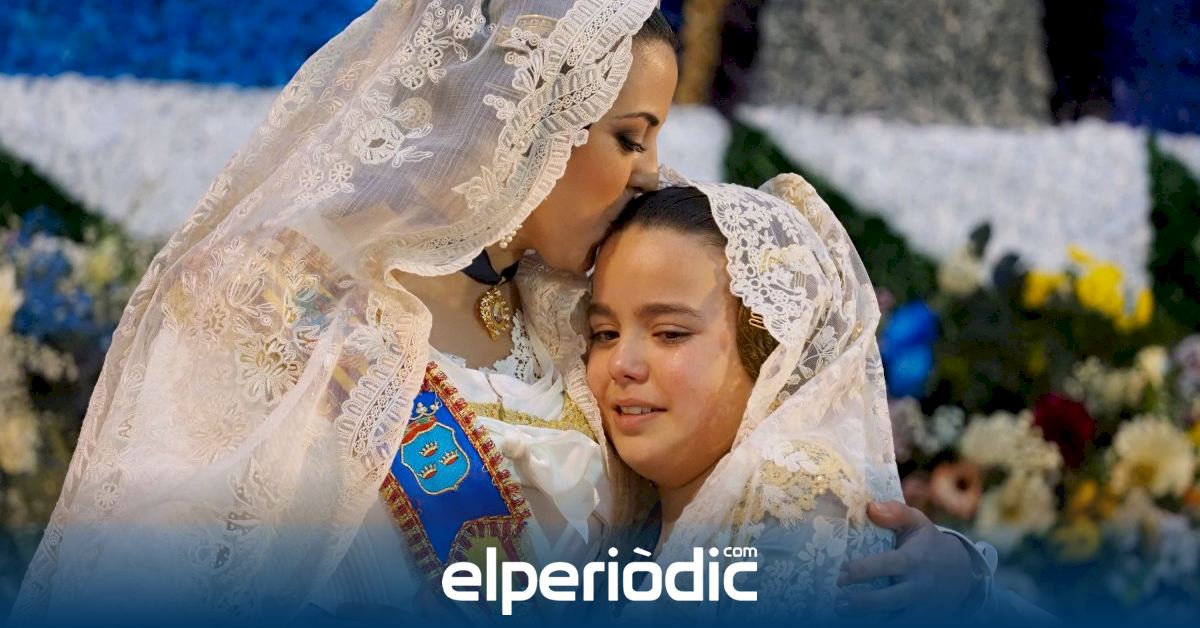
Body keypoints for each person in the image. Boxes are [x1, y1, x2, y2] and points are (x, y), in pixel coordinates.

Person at [11, 1, 992, 624]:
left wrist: (945, 570)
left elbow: (782, 466)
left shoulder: (588, 315)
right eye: (630, 136)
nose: (650, 173)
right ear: (525, 120)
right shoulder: (276, 300)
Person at [588, 175, 1054, 622]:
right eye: (604, 333)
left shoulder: (794, 493)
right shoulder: (631, 517)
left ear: (773, 347)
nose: (621, 363)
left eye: (670, 333)